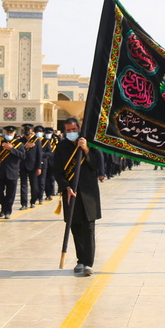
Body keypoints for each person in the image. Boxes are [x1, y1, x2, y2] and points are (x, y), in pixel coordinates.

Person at [53, 117, 103, 275]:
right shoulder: (62, 147)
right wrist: (65, 187)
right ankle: (80, 260)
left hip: (88, 192)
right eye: (68, 130)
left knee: (88, 227)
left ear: (79, 128)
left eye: (74, 130)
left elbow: (98, 165)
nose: (71, 133)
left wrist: (86, 150)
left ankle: (88, 263)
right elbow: (57, 171)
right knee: (74, 227)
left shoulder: (90, 143)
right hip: (70, 192)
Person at [0, 126, 23, 219]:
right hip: (0, 172)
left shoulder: (18, 144)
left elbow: (22, 155)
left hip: (12, 171)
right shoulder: (0, 144)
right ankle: (4, 206)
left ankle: (7, 211)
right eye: (7, 133)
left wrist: (11, 149)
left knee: (10, 194)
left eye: (10, 133)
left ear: (14, 134)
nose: (8, 134)